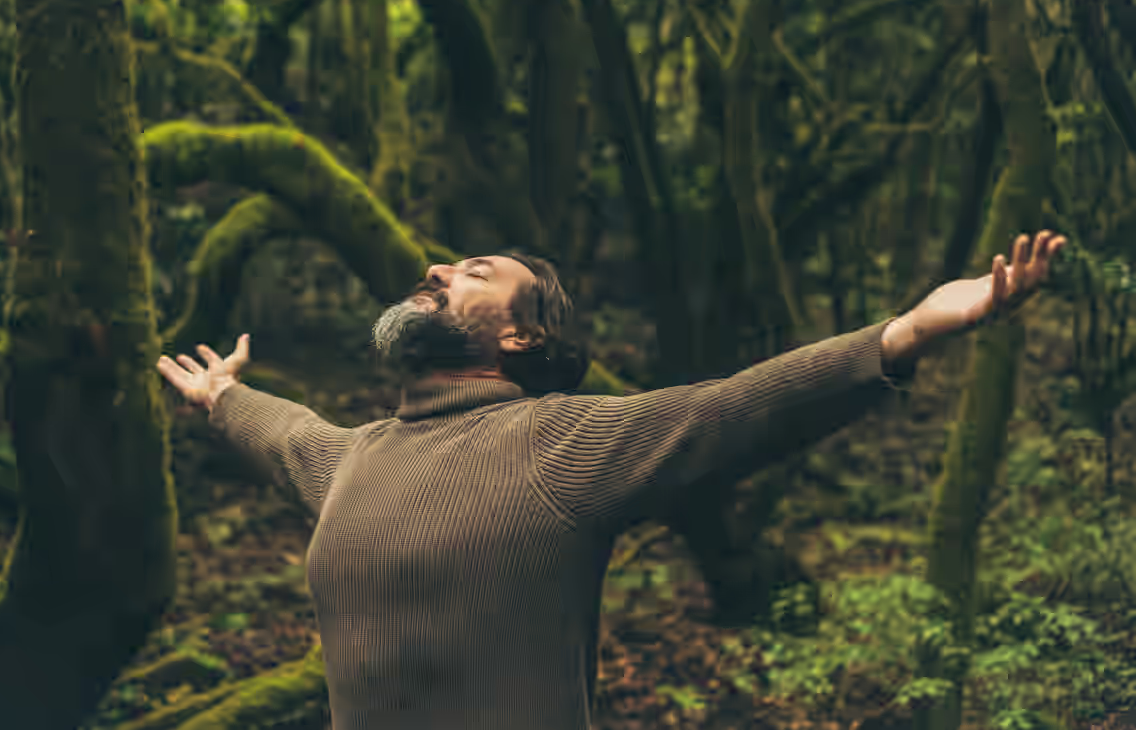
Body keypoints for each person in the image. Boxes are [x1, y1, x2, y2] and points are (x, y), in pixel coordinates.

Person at [156, 229, 1067, 730]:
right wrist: (224, 396)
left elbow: (733, 408)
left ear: (519, 335)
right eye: (444, 265)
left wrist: (905, 333)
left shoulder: (560, 443)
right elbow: (288, 434)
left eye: (473, 272)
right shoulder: (351, 458)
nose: (435, 268)